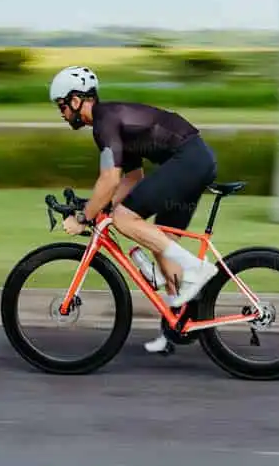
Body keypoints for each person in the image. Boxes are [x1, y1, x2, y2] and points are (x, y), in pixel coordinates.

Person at [49, 65, 220, 354]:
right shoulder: (110, 122)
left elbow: (109, 178)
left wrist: (84, 217)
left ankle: (196, 269)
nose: (62, 113)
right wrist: (99, 207)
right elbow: (131, 178)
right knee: (162, 242)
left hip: (189, 159)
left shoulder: (105, 123)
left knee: (124, 218)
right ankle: (178, 325)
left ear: (77, 101)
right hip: (192, 160)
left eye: (62, 106)